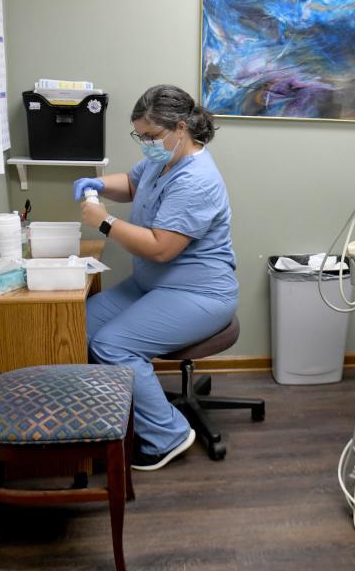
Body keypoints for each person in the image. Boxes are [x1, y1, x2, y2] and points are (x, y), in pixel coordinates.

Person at [73, 84, 238, 471]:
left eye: (150, 136)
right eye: (140, 136)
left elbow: (162, 247)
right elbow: (132, 184)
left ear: (180, 127)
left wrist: (106, 222)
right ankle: (124, 420)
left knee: (114, 346)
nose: (144, 143)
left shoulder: (196, 178)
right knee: (77, 326)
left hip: (199, 293)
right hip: (153, 285)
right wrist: (98, 183)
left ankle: (168, 435)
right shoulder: (163, 157)